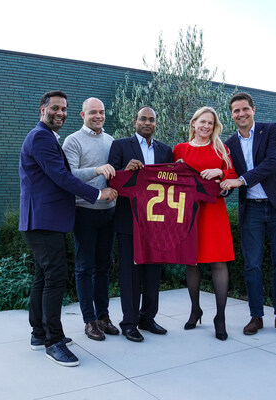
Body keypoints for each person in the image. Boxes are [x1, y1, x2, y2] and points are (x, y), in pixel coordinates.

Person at [19, 90, 117, 367]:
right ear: (42, 110)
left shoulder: (47, 137)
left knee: (43, 277)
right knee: (55, 277)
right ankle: (53, 342)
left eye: (63, 109)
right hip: (42, 220)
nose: (60, 113)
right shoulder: (41, 137)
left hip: (45, 220)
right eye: (55, 108)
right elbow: (61, 176)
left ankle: (39, 334)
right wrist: (97, 194)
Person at [220, 92, 276, 337]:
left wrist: (241, 180)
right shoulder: (228, 145)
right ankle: (256, 316)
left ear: (253, 110)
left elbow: (272, 163)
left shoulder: (271, 130)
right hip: (252, 210)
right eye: (236, 110)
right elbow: (228, 176)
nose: (241, 114)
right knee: (252, 265)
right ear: (231, 115)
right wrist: (222, 186)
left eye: (245, 109)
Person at [108, 106, 173, 342]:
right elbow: (111, 180)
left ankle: (148, 318)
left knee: (153, 273)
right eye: (143, 119)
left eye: (151, 120)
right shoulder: (120, 146)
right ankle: (129, 322)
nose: (147, 123)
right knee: (130, 274)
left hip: (156, 223)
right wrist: (125, 170)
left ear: (156, 123)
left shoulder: (166, 150)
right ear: (134, 121)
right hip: (129, 220)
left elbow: (172, 184)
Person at [173, 106, 237, 341]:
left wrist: (219, 172)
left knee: (219, 263)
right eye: (202, 121)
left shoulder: (221, 148)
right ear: (193, 123)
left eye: (210, 123)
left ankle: (220, 317)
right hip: (188, 212)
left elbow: (233, 176)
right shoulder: (179, 149)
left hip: (213, 212)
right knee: (192, 262)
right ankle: (195, 310)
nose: (206, 126)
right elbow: (170, 179)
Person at [62, 98, 120, 341]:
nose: (98, 116)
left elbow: (118, 173)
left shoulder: (111, 141)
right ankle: (89, 321)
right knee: (84, 267)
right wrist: (97, 170)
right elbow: (69, 175)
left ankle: (103, 317)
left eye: (102, 112)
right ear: (82, 115)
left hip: (109, 211)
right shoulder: (72, 141)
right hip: (84, 211)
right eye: (93, 112)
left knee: (103, 267)